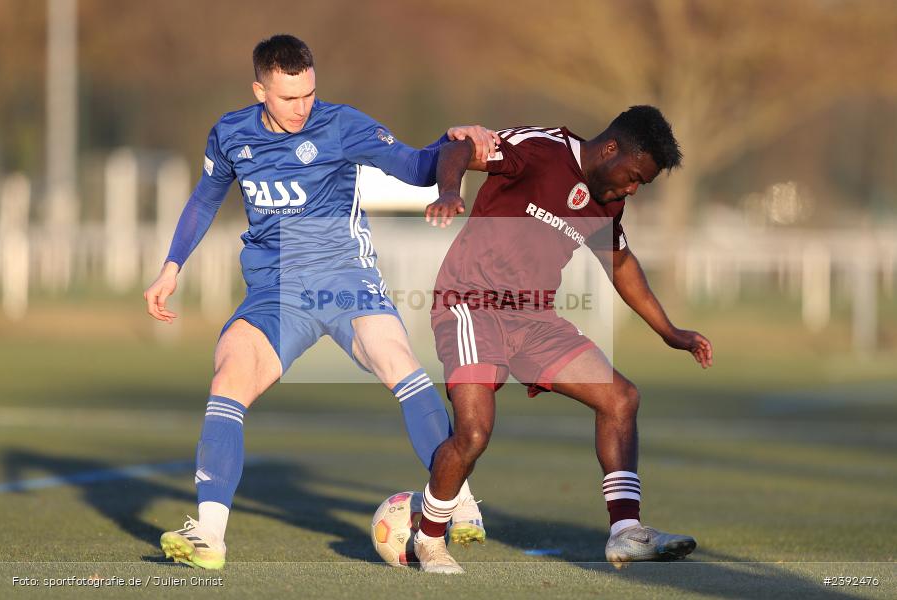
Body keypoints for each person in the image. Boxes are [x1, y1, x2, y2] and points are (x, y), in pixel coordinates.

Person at [144, 34, 496, 569]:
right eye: (289, 98)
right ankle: (209, 537)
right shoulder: (231, 134)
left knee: (398, 362)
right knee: (228, 378)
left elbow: (417, 166)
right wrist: (171, 267)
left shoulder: (340, 124)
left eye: (309, 93)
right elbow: (205, 198)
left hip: (343, 280)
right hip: (274, 291)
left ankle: (459, 502)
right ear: (260, 90)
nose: (302, 107)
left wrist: (457, 147)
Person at [413, 106, 714, 573]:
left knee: (621, 399)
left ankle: (626, 533)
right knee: (473, 434)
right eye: (633, 176)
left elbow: (620, 264)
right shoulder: (541, 149)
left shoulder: (608, 199)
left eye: (641, 185)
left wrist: (670, 332)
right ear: (610, 148)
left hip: (534, 319)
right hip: (470, 304)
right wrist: (450, 190)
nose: (632, 189)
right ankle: (428, 537)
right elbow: (458, 148)